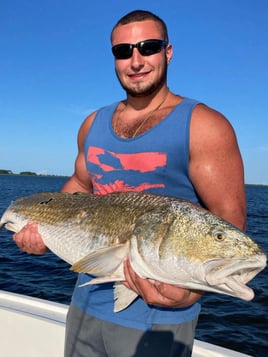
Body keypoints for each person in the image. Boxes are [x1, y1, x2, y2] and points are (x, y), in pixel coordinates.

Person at [13, 9, 246, 357]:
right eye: (123, 51)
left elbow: (228, 221)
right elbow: (79, 185)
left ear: (167, 52)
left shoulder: (204, 125)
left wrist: (191, 293)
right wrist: (40, 230)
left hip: (160, 316)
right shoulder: (93, 123)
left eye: (148, 47)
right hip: (85, 301)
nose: (135, 61)